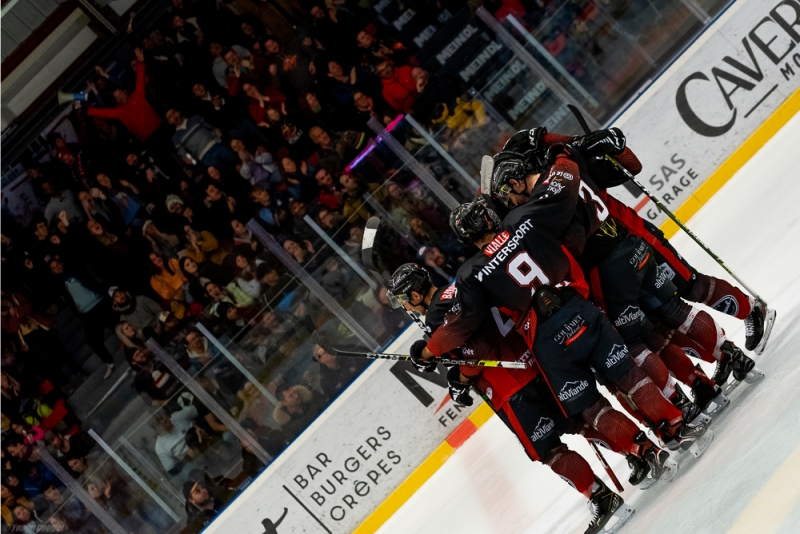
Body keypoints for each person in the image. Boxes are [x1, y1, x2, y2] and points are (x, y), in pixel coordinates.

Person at [48, 258, 116, 379]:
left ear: (62, 263)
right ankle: (109, 362)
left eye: (57, 264)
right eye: (53, 268)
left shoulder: (75, 271)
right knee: (93, 341)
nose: (56, 268)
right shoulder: (60, 285)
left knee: (117, 325)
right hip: (86, 313)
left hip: (99, 303)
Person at [86, 48, 162, 142]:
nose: (120, 97)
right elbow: (103, 112)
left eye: (120, 94)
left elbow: (140, 79)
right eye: (117, 97)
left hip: (159, 128)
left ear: (125, 92)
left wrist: (140, 62)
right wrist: (87, 110)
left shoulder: (137, 95)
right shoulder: (119, 111)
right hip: (148, 139)